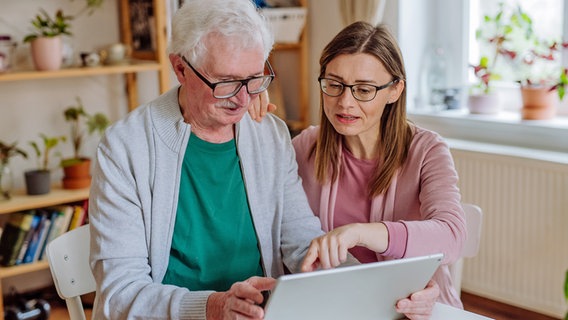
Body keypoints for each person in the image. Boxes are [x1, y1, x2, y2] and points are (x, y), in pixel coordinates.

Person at [88, 0, 439, 318]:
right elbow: (119, 294)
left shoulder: (268, 134)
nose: (243, 100)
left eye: (255, 79)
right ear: (180, 69)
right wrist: (211, 306)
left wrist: (388, 289)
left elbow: (301, 242)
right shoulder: (125, 148)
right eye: (226, 82)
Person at [290, 21, 467, 311]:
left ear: (395, 90)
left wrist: (360, 233)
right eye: (334, 85)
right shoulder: (305, 147)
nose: (344, 102)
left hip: (419, 309)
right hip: (338, 306)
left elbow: (452, 236)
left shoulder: (427, 151)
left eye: (364, 89)